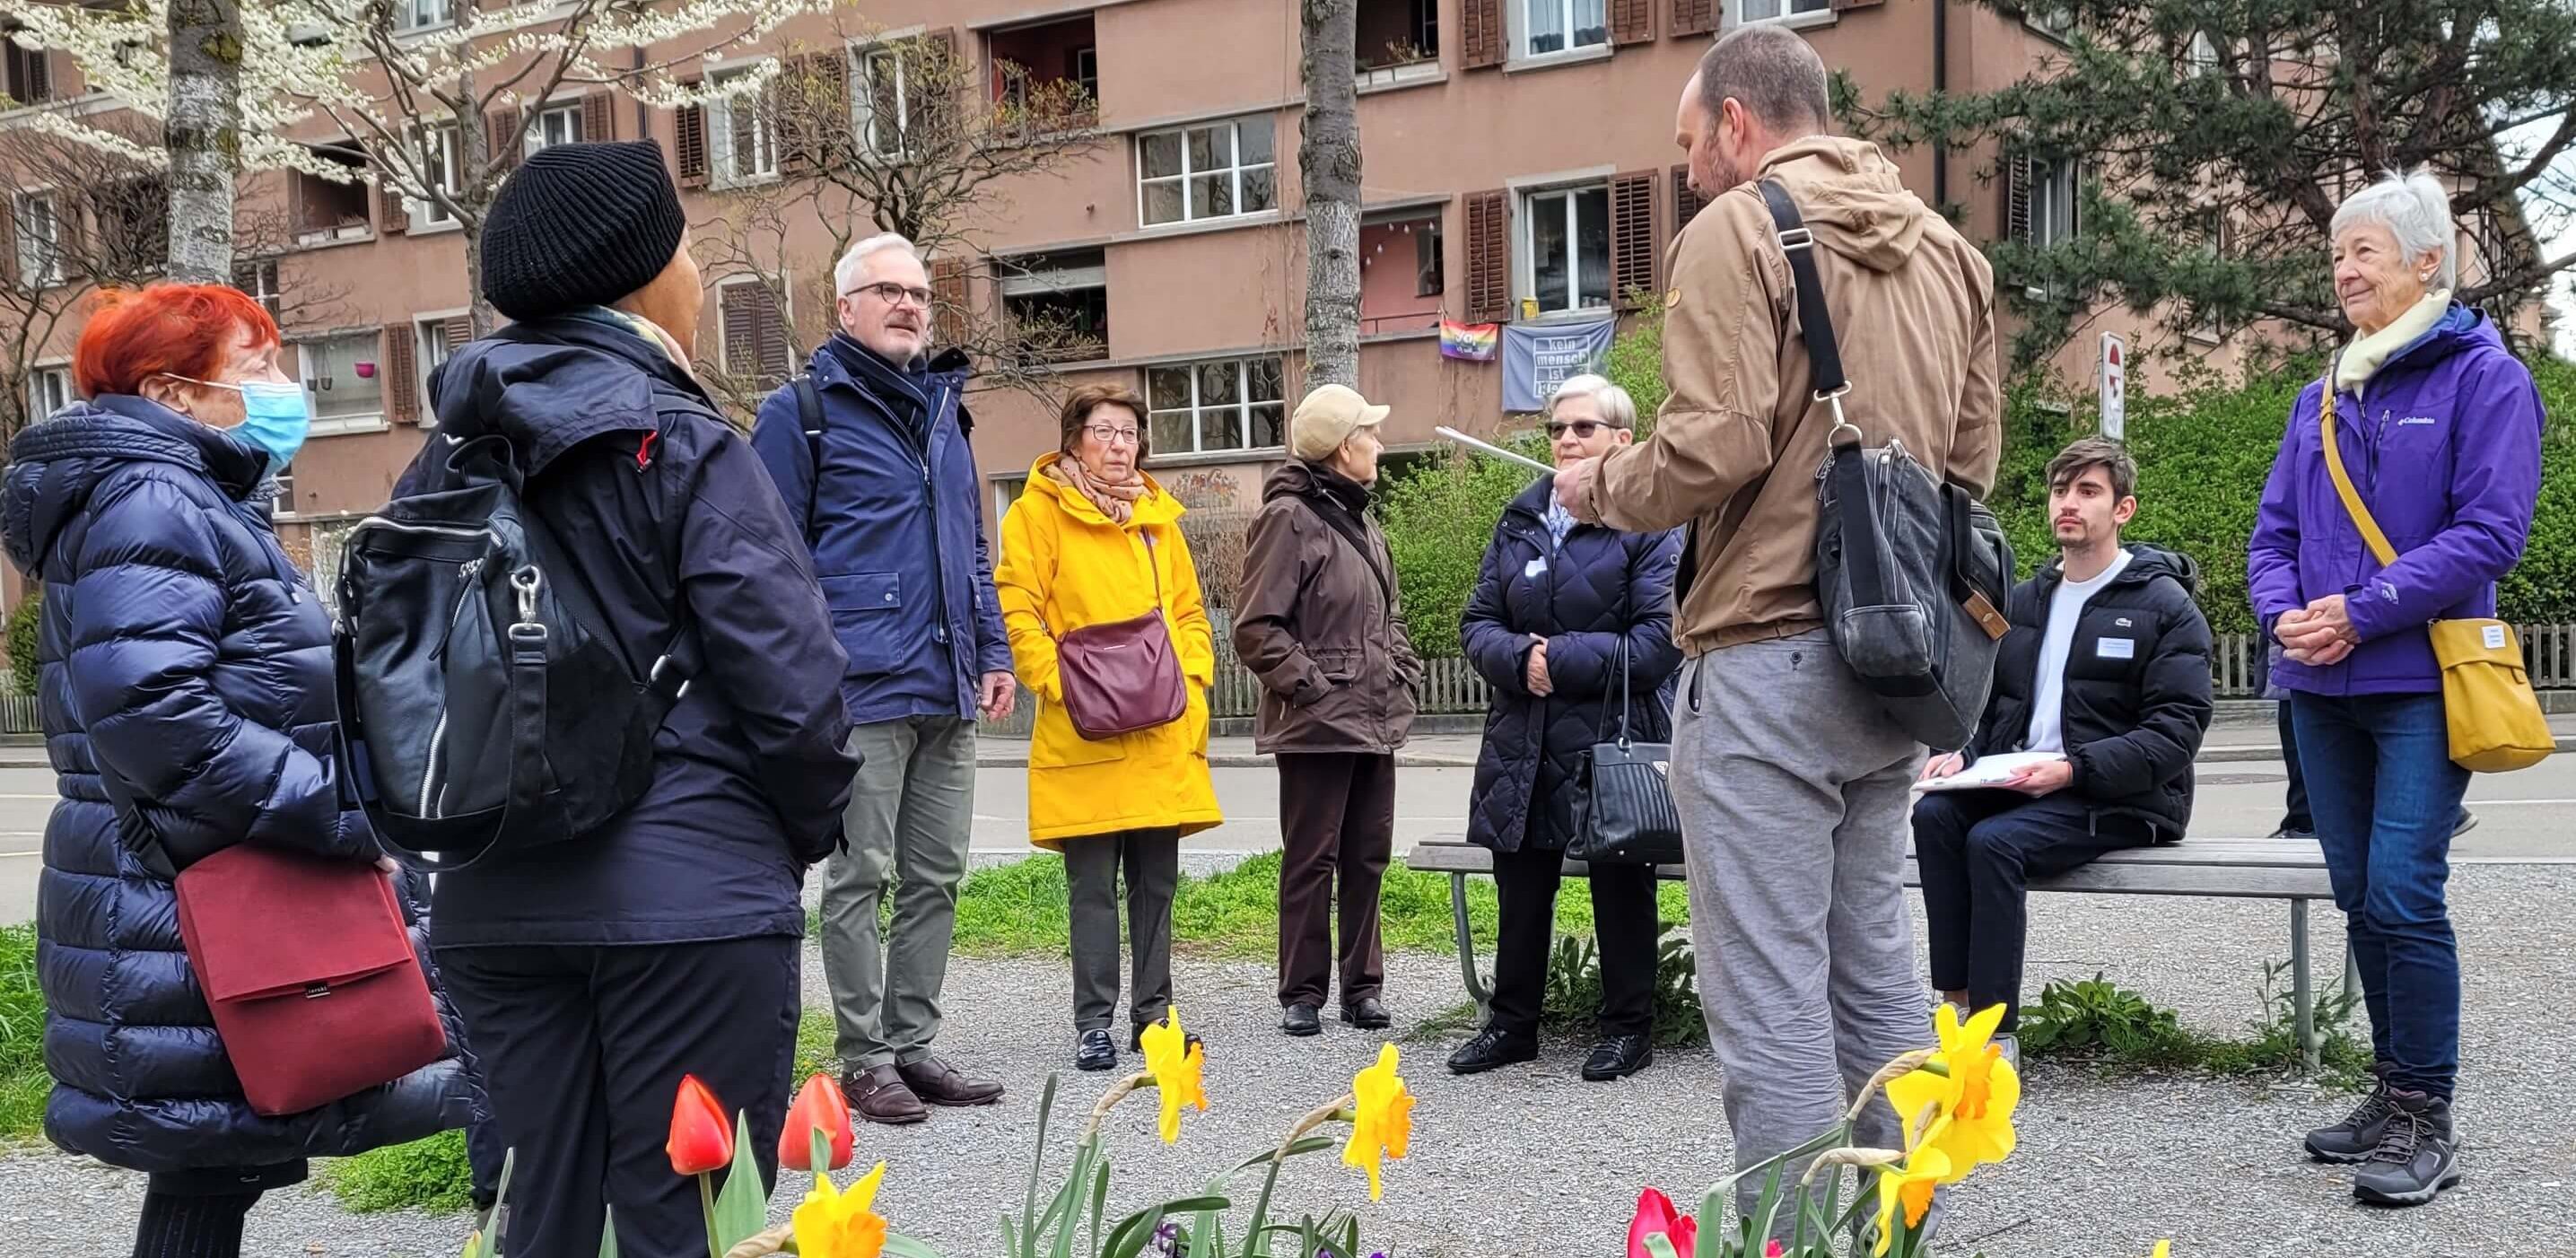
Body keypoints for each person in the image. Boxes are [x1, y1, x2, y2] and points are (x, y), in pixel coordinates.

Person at [1554, 25, 2003, 1210]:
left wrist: (1596, 485)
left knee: (1765, 1004)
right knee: (1873, 977)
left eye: (1690, 141)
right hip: (1892, 664)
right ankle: (1907, 1225)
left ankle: (1793, 1241)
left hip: (1761, 656)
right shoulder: (1952, 256)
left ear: (1738, 123)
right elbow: (1971, 463)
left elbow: (1713, 444)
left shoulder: (1736, 230)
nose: (1688, 164)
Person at [405, 142, 858, 1256]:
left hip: (489, 901)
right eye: (688, 249)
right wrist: (785, 839)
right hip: (690, 904)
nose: (698, 272)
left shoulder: (443, 458)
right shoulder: (685, 441)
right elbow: (793, 683)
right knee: (686, 1221)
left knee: (544, 1219)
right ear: (642, 278)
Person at [2, 283, 487, 1258]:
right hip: (194, 889)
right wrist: (348, 818)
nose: (282, 383)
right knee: (211, 1160)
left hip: (178, 883)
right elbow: (157, 716)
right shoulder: (153, 496)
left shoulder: (182, 494)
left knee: (215, 1162)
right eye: (255, 365)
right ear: (174, 392)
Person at [2249, 168, 2543, 1208]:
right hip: (2318, 684)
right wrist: (2283, 611)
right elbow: (2273, 532)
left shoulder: (2486, 378)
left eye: (2362, 251)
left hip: (2419, 679)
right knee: (2358, 894)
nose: (2342, 271)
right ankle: (2388, 1091)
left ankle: (2426, 1115)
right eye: (2337, 255)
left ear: (2428, 263)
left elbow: (2490, 532)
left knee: (2407, 891)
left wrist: (2360, 609)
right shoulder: (2319, 393)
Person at [750, 233, 1015, 1125]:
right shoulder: (802, 413)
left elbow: (972, 549)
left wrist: (993, 650)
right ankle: (862, 1056)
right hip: (859, 690)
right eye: (888, 291)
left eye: (918, 293)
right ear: (844, 309)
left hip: (946, 684)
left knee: (937, 873)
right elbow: (771, 558)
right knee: (861, 874)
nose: (909, 305)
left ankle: (911, 1042)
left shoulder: (945, 412)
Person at [1913, 439, 2214, 1058]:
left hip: (2124, 797)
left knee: (1993, 843)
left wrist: (2072, 768)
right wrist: (1961, 755)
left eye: (2087, 491)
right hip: (2026, 783)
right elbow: (1990, 703)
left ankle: (1993, 1041)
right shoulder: (2024, 601)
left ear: (2122, 509)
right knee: (1935, 815)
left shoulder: (2163, 607)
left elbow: (2177, 729)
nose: (2068, 504)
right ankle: (1957, 1006)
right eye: (2059, 491)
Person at [1447, 375, 1683, 1082]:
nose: (1566, 440)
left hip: (1610, 737)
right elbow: (1475, 623)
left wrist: (1557, 657)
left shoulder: (1649, 523)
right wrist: (1521, 659)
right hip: (1522, 737)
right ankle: (1512, 1023)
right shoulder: (1517, 518)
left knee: (1619, 887)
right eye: (1556, 429)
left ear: (1622, 441)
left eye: (1583, 428)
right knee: (1520, 886)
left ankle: (1626, 1028)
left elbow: (1656, 643)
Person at [993, 384, 1224, 1072]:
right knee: (1091, 889)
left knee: (1156, 886)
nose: (1119, 444)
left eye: (1128, 432)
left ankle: (1154, 1019)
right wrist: (1055, 681)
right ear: (1073, 439)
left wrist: (1192, 679)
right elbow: (1018, 604)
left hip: (1158, 729)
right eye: (1104, 431)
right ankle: (1092, 1023)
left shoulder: (1159, 521)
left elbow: (1189, 611)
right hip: (1082, 727)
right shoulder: (1035, 514)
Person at [1235, 383, 1423, 1037]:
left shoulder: (1362, 518)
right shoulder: (1288, 517)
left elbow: (1386, 614)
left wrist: (1403, 667)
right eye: (1369, 433)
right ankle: (1303, 993)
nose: (1379, 443)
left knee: (1368, 856)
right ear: (1346, 448)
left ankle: (1362, 989)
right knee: (1311, 859)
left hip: (1373, 717)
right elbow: (1256, 628)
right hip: (1317, 724)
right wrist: (1314, 688)